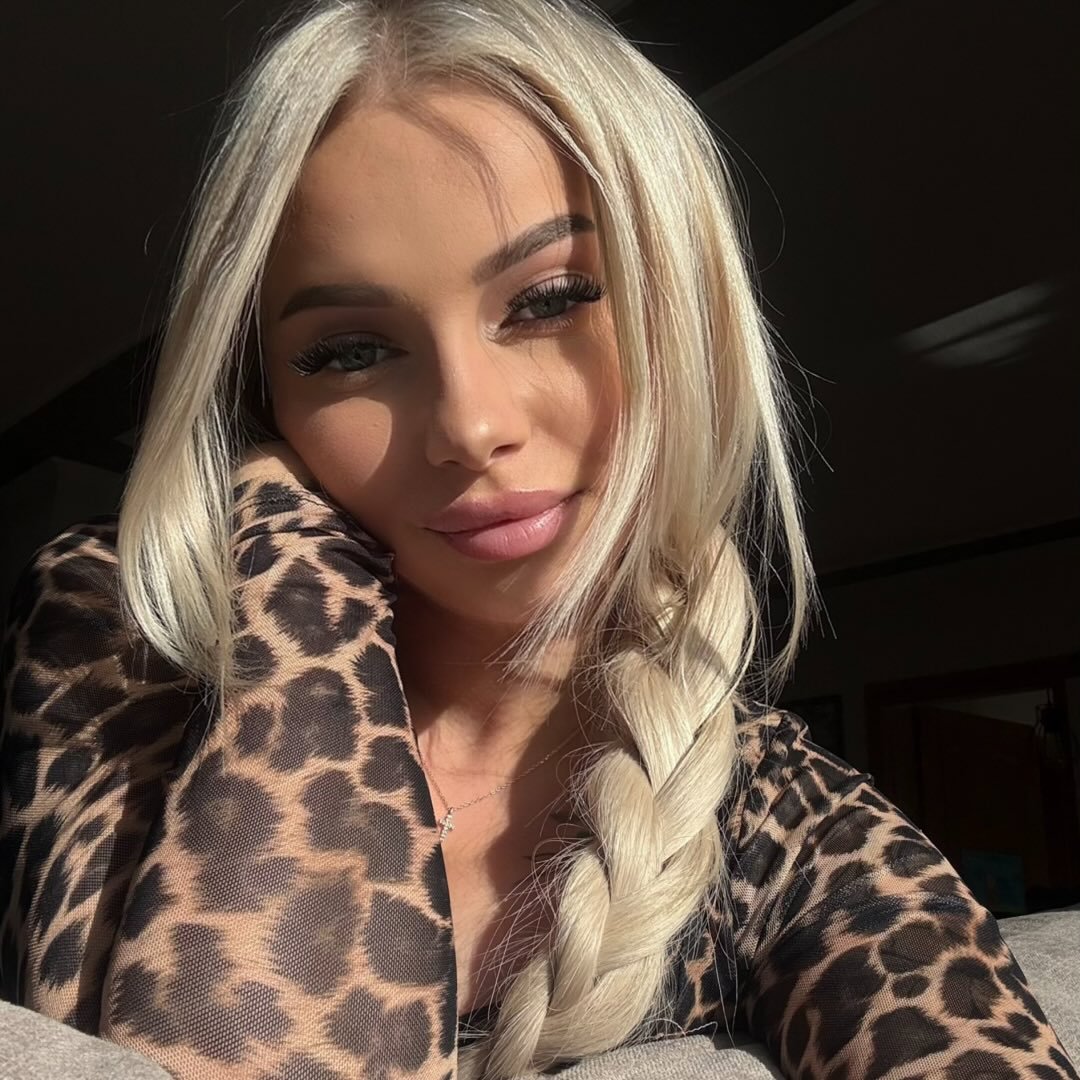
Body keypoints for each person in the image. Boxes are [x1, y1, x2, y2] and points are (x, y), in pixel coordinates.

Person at [0, 1, 1075, 1078]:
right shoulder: (115, 653)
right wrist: (291, 593)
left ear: (688, 313)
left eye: (552, 298)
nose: (470, 426)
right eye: (349, 351)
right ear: (263, 398)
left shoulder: (787, 825)